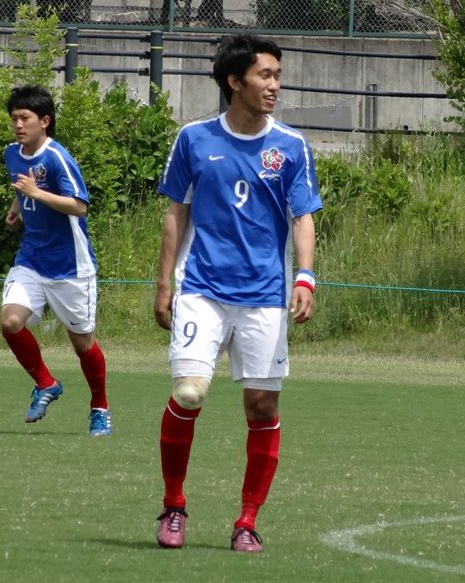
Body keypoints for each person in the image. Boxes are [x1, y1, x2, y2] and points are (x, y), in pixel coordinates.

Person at [153, 34, 322, 553]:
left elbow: (303, 217)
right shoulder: (194, 139)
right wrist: (163, 284)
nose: (275, 84)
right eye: (265, 75)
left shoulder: (291, 147)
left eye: (277, 74)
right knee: (189, 394)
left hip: (265, 296)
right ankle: (175, 505)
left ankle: (246, 520)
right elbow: (175, 212)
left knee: (261, 407)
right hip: (201, 288)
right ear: (235, 82)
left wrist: (305, 276)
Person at [0, 85, 111, 437]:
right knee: (10, 322)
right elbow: (22, 186)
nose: (18, 124)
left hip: (71, 266)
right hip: (31, 258)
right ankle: (46, 383)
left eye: (25, 118)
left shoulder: (58, 158)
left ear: (44, 121)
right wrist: (18, 205)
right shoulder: (12, 154)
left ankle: (100, 408)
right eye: (14, 118)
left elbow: (79, 206)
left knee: (82, 344)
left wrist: (36, 194)